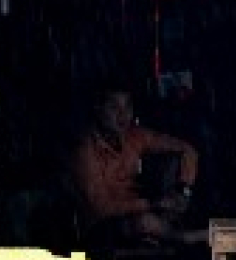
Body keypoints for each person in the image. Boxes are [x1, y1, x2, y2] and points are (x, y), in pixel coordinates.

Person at [70, 86, 199, 246]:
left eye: (127, 106)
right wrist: (151, 203)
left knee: (170, 213)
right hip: (100, 224)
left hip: (138, 212)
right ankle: (181, 238)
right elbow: (100, 207)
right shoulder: (85, 150)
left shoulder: (135, 136)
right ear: (99, 109)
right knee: (146, 221)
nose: (123, 115)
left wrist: (183, 191)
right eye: (114, 107)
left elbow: (186, 149)